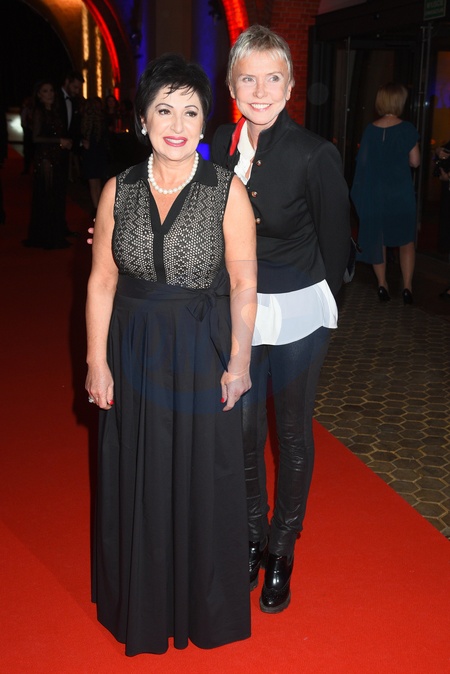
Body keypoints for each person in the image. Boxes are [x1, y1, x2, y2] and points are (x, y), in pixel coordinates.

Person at [85, 54, 257, 655]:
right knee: (138, 471)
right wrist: (96, 360)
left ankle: (199, 605)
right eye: (164, 110)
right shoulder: (119, 189)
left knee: (200, 475)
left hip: (197, 349)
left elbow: (244, 283)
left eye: (190, 111)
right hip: (132, 348)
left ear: (205, 121)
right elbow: (102, 279)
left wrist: (239, 361)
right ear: (142, 119)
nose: (177, 124)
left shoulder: (226, 191)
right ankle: (142, 600)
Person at [211, 25, 351, 613]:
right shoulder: (216, 144)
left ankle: (282, 547)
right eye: (249, 79)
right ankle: (252, 534)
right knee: (243, 430)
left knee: (291, 432)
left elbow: (337, 245)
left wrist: (318, 304)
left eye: (274, 78)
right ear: (231, 87)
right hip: (237, 309)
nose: (261, 91)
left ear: (291, 86)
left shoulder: (315, 153)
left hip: (296, 310)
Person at [351, 82, 420, 304]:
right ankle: (407, 287)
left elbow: (362, 162)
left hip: (376, 194)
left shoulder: (370, 130)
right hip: (400, 193)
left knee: (377, 239)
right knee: (406, 242)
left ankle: (382, 284)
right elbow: (415, 161)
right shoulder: (407, 129)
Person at [23, 80, 72, 249]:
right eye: (45, 91)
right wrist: (59, 141)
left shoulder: (54, 111)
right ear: (39, 95)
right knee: (48, 197)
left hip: (55, 157)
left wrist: (63, 142)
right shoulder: (39, 112)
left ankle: (53, 235)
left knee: (55, 196)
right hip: (45, 159)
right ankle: (48, 238)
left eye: (51, 90)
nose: (49, 94)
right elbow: (36, 138)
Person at [57, 70, 85, 234]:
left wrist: (79, 141)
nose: (77, 91)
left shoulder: (73, 102)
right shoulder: (55, 98)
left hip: (65, 152)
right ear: (67, 82)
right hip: (51, 151)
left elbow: (73, 128)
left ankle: (61, 226)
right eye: (75, 87)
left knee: (62, 190)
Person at [80, 96, 109, 215]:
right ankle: (100, 208)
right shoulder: (101, 122)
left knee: (93, 184)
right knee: (98, 183)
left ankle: (96, 208)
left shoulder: (85, 123)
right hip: (99, 155)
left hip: (90, 155)